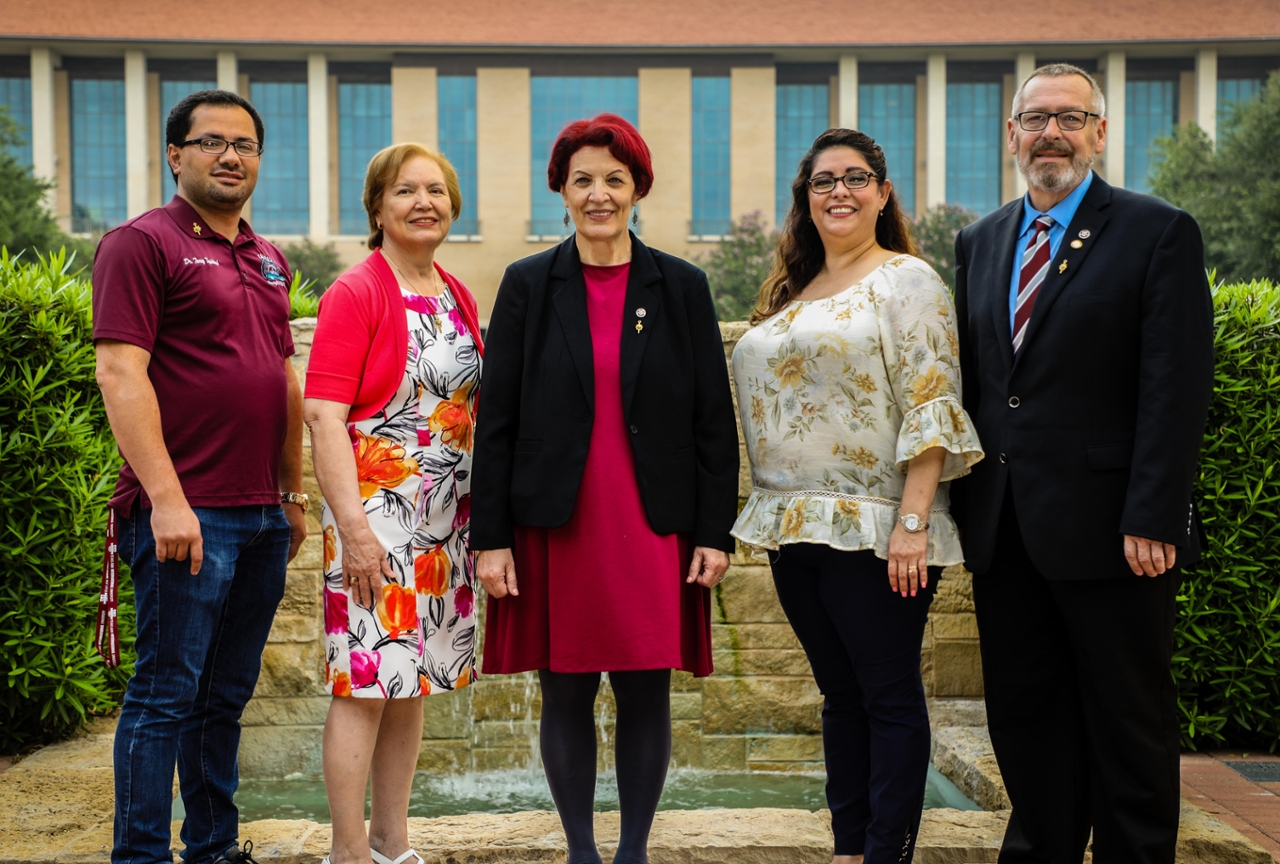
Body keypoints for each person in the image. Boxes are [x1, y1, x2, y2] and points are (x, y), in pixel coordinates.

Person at [952, 63, 1214, 864]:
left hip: (1115, 533)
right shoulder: (979, 240)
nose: (1051, 134)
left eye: (1070, 118)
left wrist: (1155, 513)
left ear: (1100, 132)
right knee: (1026, 718)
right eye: (1035, 119)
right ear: (1012, 136)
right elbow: (982, 386)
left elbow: (1176, 386)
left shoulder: (1156, 231)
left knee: (1127, 722)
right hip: (1007, 529)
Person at [470, 113, 738, 864]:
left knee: (646, 690)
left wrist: (715, 532)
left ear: (637, 189)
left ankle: (634, 852)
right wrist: (490, 538)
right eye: (583, 179)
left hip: (653, 524)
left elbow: (713, 421)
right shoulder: (528, 284)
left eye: (614, 180)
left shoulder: (681, 285)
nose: (598, 194)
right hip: (557, 523)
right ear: (560, 189)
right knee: (567, 691)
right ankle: (582, 851)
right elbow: (497, 420)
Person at [730, 128, 983, 864]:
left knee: (888, 698)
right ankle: (849, 850)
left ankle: (887, 852)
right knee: (840, 699)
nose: (839, 191)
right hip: (793, 526)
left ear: (882, 192)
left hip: (878, 531)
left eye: (855, 177)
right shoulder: (791, 291)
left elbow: (932, 402)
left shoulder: (908, 280)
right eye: (822, 181)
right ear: (805, 200)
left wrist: (912, 521)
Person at [93, 89, 307, 864]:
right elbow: (120, 373)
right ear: (175, 154)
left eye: (245, 144)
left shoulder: (269, 256)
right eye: (211, 142)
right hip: (188, 517)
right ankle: (141, 857)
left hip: (256, 516)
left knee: (223, 699)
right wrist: (168, 499)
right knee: (162, 698)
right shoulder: (139, 244)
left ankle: (213, 850)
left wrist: (290, 494)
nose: (230, 156)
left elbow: (282, 379)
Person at [303, 143, 484, 864]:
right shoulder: (356, 291)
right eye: (405, 190)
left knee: (413, 684)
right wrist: (355, 534)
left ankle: (392, 843)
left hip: (444, 526)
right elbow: (322, 415)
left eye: (436, 191)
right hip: (377, 519)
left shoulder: (455, 291)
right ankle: (348, 853)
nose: (423, 203)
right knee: (364, 686)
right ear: (377, 207)